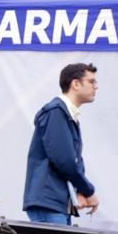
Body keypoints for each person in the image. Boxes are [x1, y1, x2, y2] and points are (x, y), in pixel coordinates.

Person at [24, 62, 99, 225]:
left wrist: (80, 191)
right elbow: (65, 161)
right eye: (92, 82)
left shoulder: (65, 114)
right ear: (76, 84)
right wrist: (88, 191)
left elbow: (71, 160)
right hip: (49, 204)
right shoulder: (57, 112)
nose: (96, 86)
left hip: (55, 204)